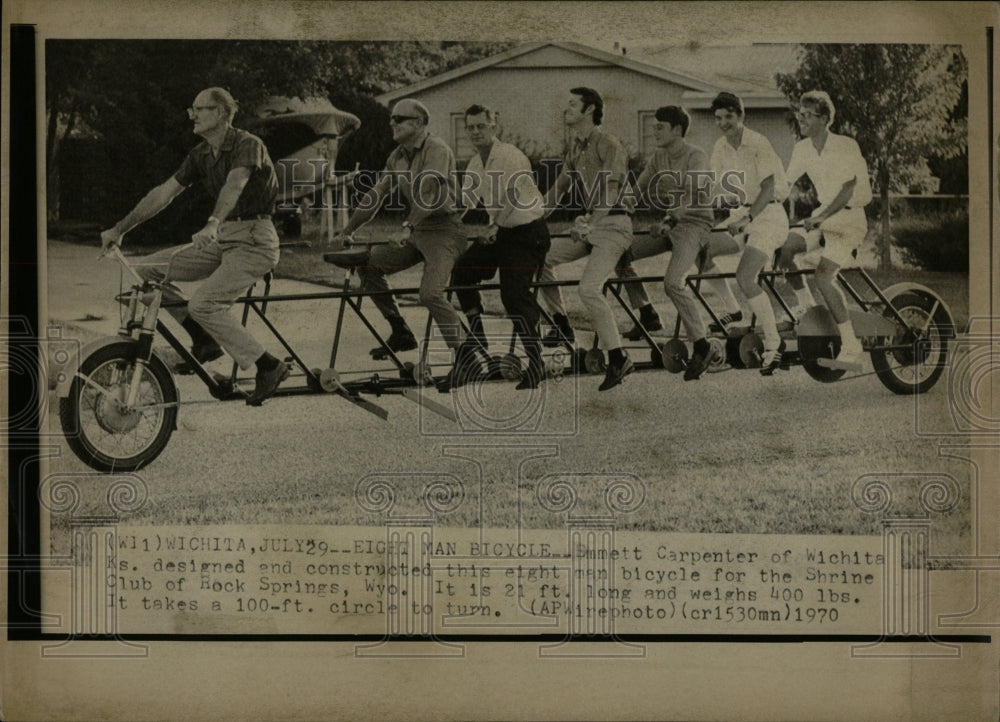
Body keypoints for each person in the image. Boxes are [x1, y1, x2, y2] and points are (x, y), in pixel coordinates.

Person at [100, 86, 288, 406]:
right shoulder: (201, 154)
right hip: (225, 238)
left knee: (204, 304)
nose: (193, 115)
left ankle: (268, 365)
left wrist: (212, 222)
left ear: (220, 113)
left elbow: (235, 184)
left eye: (198, 109)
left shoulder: (247, 144)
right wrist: (120, 229)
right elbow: (164, 193)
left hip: (255, 240)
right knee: (146, 270)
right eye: (193, 110)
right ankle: (202, 338)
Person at [335, 98, 474, 391]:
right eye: (392, 119)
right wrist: (347, 230)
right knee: (368, 264)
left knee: (431, 293)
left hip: (445, 230)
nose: (392, 123)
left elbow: (431, 193)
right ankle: (400, 331)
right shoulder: (397, 156)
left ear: (419, 124)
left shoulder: (437, 149)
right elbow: (376, 195)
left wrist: (407, 226)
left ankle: (467, 358)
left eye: (399, 119)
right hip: (417, 230)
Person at [633, 106, 738, 381]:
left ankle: (701, 346)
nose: (653, 131)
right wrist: (609, 212)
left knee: (673, 282)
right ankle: (646, 312)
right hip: (671, 225)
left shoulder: (696, 155)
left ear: (677, 130)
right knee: (619, 253)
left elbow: (695, 193)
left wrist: (670, 218)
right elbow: (636, 191)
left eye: (659, 127)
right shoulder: (658, 156)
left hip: (695, 225)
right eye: (653, 126)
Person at [450, 104, 551, 390]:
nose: (475, 132)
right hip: (502, 233)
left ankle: (536, 362)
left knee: (514, 296)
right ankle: (478, 334)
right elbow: (464, 204)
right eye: (470, 127)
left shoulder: (510, 156)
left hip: (527, 234)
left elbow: (512, 197)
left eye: (481, 126)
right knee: (463, 272)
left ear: (494, 127)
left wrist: (494, 226)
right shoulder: (475, 163)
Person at [541, 87, 635, 391]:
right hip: (591, 225)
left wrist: (589, 223)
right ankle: (561, 323)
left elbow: (610, 191)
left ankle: (619, 358)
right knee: (542, 258)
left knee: (589, 289)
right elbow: (556, 191)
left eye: (572, 105)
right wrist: (526, 219)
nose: (565, 109)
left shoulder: (608, 144)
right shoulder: (575, 148)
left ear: (589, 109)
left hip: (615, 223)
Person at [784, 90, 873, 370]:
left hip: (848, 220)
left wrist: (821, 216)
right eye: (800, 113)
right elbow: (785, 184)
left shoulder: (846, 146)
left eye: (808, 114)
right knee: (785, 249)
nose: (801, 119)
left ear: (824, 118)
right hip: (823, 218)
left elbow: (848, 190)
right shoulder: (802, 149)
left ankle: (851, 344)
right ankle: (808, 310)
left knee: (824, 277)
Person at [709, 91, 790, 376]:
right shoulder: (720, 146)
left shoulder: (758, 143)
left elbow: (768, 189)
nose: (723, 123)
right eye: (718, 118)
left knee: (745, 276)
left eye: (728, 117)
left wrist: (747, 219)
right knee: (699, 247)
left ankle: (773, 344)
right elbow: (715, 189)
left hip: (769, 216)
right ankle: (733, 310)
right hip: (739, 216)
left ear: (741, 116)